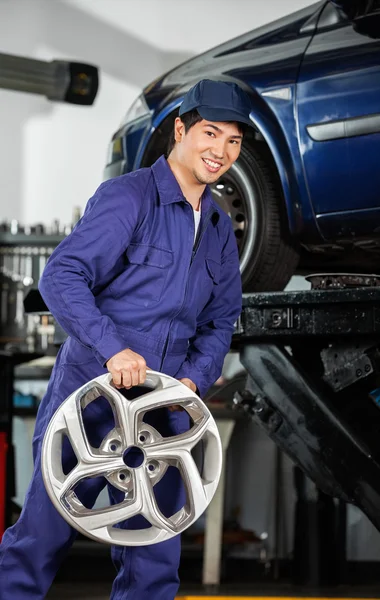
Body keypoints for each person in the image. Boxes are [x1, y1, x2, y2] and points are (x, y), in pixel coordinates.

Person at [0, 79, 253, 600]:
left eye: (233, 140)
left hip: (165, 410)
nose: (221, 151)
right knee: (42, 536)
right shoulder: (128, 197)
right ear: (180, 130)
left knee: (156, 550)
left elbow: (221, 318)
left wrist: (193, 379)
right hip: (91, 397)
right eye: (210, 133)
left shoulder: (220, 225)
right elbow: (61, 276)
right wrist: (114, 348)